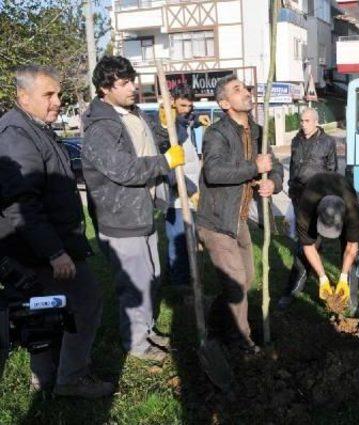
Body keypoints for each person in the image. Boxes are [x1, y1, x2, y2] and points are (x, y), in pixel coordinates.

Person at [0, 65, 114, 397]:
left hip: (37, 247)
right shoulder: (15, 136)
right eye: (48, 94)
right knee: (87, 299)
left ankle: (45, 377)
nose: (57, 101)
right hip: (35, 249)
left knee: (43, 309)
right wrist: (55, 252)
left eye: (59, 94)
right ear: (23, 97)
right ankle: (72, 379)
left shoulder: (33, 128)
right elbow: (21, 204)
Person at [82, 56, 185, 362]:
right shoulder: (101, 126)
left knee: (151, 276)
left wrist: (167, 130)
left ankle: (147, 329)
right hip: (120, 218)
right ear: (104, 89)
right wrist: (165, 162)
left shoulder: (133, 113)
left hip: (141, 212)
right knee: (134, 284)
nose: (133, 87)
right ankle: (136, 343)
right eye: (124, 83)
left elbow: (148, 147)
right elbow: (123, 169)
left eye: (132, 80)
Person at [197, 74, 283, 353]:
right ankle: (241, 341)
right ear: (224, 103)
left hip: (240, 218)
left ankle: (217, 319)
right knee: (236, 285)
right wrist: (253, 169)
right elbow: (214, 172)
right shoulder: (217, 133)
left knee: (246, 280)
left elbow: (274, 164)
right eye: (237, 90)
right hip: (217, 220)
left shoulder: (259, 132)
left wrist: (273, 182)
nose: (246, 91)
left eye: (245, 87)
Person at [278, 107, 337, 309]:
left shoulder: (328, 142)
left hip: (318, 200)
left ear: (316, 121)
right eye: (301, 120)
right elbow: (294, 167)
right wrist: (291, 188)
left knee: (306, 245)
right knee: (307, 244)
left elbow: (333, 172)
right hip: (297, 198)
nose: (303, 124)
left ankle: (294, 289)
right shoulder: (296, 140)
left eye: (307, 120)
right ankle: (317, 283)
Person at [284, 172, 359, 315]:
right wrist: (322, 277)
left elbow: (352, 247)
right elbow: (308, 247)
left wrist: (343, 276)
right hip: (314, 197)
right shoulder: (306, 208)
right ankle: (293, 290)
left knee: (354, 254)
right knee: (302, 249)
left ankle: (352, 301)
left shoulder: (353, 211)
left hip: (344, 198)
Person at [155, 85, 209, 288]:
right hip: (177, 196)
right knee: (179, 242)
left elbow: (186, 120)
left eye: (190, 106)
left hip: (190, 193)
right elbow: (168, 168)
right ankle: (181, 287)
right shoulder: (166, 129)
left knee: (189, 240)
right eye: (182, 105)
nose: (186, 109)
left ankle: (181, 278)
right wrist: (192, 190)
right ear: (172, 104)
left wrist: (197, 120)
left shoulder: (182, 122)